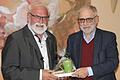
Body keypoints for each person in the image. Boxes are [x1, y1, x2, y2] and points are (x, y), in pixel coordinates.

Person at [2, 3, 58, 80]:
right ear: (28, 17)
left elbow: (54, 63)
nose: (41, 21)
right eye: (37, 17)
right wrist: (39, 75)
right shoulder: (15, 39)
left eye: (45, 17)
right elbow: (9, 72)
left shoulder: (51, 38)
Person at [66, 5, 119, 80]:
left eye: (89, 19)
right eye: (82, 20)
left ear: (96, 19)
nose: (85, 23)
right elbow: (68, 60)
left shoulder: (108, 37)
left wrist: (89, 71)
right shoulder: (72, 39)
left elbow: (113, 62)